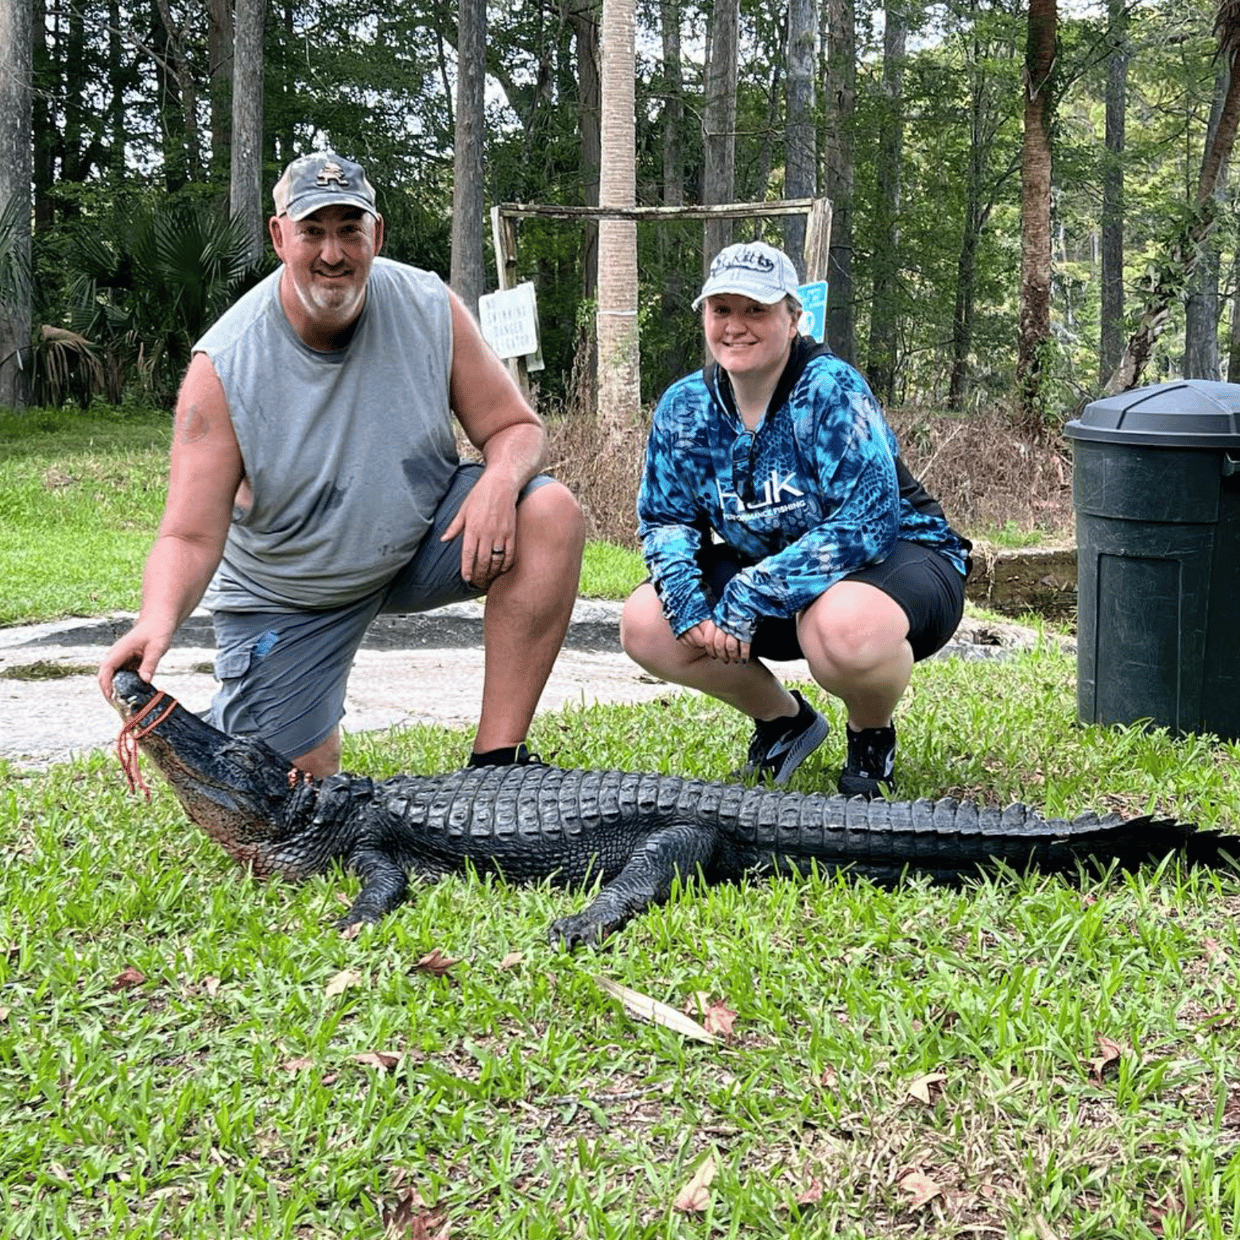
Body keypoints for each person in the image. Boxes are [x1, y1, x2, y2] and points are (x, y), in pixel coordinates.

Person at [98, 151, 585, 777]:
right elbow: (189, 534)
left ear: (375, 234)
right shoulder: (223, 364)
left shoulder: (428, 304)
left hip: (419, 542)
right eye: (313, 231)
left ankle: (496, 764)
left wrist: (498, 477)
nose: (333, 253)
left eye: (349, 229)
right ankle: (254, 707)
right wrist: (155, 621)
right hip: (291, 594)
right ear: (280, 237)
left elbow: (516, 427)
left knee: (548, 510)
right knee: (291, 796)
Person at [620, 241, 971, 797]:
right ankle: (785, 723)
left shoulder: (830, 388)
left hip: (895, 560)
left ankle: (870, 736)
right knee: (648, 621)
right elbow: (666, 517)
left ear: (793, 317)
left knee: (840, 625)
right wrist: (687, 600)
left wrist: (752, 593)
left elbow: (867, 521)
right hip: (771, 573)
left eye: (756, 309)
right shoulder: (684, 406)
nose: (736, 326)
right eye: (722, 310)